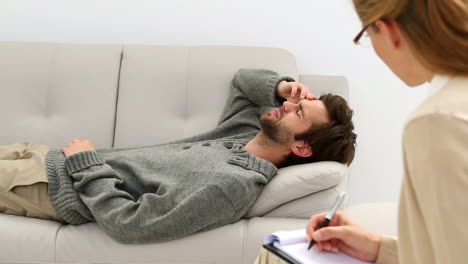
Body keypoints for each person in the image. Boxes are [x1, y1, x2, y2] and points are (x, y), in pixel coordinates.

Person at [0, 68, 356, 243]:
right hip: (43, 156)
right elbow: (243, 81)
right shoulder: (242, 134)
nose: (289, 106)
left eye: (299, 113)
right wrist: (282, 87)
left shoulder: (231, 187)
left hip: (48, 187)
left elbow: (131, 224)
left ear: (302, 147)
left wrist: (86, 164)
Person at [255, 0, 468, 263]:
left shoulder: (437, 120)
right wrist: (377, 247)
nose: (287, 105)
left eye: (365, 35)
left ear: (387, 29)